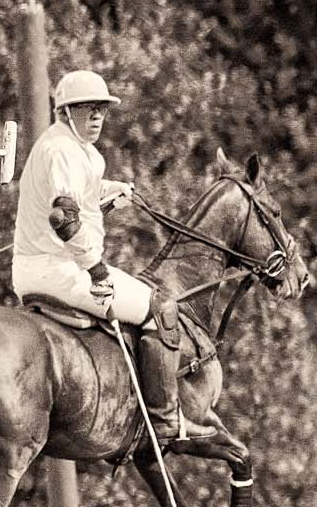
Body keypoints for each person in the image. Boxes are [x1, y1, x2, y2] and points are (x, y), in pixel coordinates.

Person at [12, 70, 211, 443]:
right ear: (66, 111)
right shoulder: (61, 150)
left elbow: (77, 195)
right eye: (88, 109)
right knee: (163, 308)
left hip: (50, 265)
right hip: (57, 270)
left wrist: (110, 191)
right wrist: (97, 271)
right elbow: (63, 216)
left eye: (102, 109)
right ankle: (165, 419)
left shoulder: (77, 150)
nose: (97, 117)